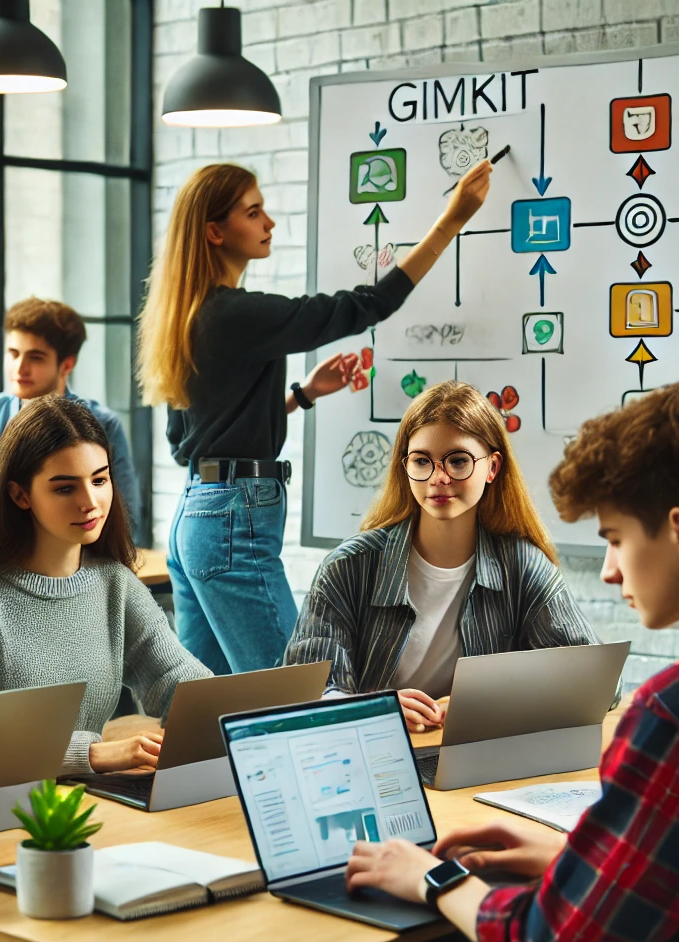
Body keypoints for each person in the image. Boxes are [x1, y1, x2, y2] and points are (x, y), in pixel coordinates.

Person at [342, 380, 679, 942]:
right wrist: (580, 857)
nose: (608, 570)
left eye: (615, 537)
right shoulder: (354, 565)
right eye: (423, 460)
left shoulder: (676, 714)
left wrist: (431, 879)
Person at [281, 380, 598, 942]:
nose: (439, 477)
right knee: (418, 858)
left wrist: (487, 700)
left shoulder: (522, 568)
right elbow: (303, 687)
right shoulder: (352, 566)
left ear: (491, 468)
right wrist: (375, 709)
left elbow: (590, 680)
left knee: (488, 857)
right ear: (405, 467)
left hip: (466, 778)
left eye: (458, 459)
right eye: (422, 460)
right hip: (368, 771)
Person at [137, 159, 494, 676]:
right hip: (235, 518)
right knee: (297, 690)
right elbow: (366, 305)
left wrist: (301, 394)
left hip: (195, 518)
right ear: (215, 232)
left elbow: (192, 439)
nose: (269, 224)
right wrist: (452, 219)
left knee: (208, 705)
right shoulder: (237, 314)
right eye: (253, 212)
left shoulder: (187, 319)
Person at [0, 394, 209, 775]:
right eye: (65, 488)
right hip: (1, 810)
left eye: (100, 480)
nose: (90, 501)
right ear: (20, 495)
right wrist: (89, 754)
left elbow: (183, 684)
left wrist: (238, 713)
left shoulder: (115, 584)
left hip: (94, 801)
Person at [0, 295, 142, 532]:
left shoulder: (103, 424)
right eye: (14, 353)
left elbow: (125, 518)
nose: (20, 367)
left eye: (35, 357)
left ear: (66, 366)